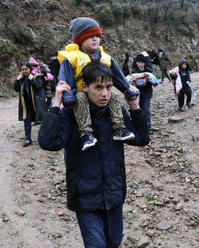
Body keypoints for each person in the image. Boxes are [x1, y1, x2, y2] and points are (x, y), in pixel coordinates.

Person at [38, 60, 149, 248]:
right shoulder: (71, 115)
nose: (105, 93)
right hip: (85, 196)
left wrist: (135, 107)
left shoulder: (116, 115)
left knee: (114, 243)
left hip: (113, 194)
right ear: (85, 87)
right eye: (98, 87)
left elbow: (141, 139)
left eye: (108, 87)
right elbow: (48, 143)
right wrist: (56, 104)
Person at [57, 17, 138, 151]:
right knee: (81, 98)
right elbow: (66, 77)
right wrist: (68, 97)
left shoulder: (105, 57)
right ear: (80, 39)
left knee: (114, 97)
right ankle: (86, 133)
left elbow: (118, 76)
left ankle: (119, 127)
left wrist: (126, 89)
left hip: (101, 91)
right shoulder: (71, 57)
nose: (95, 39)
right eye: (89, 36)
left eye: (97, 36)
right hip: (81, 92)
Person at [14, 62, 43, 147]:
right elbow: (16, 89)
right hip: (25, 105)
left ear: (30, 69)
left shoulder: (36, 76)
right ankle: (28, 139)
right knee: (26, 122)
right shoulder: (21, 78)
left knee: (40, 121)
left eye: (26, 69)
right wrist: (18, 79)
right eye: (22, 69)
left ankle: (43, 139)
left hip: (36, 104)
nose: (24, 71)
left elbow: (38, 87)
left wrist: (31, 79)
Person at [129, 54, 158, 133]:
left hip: (147, 93)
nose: (140, 64)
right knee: (138, 110)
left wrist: (147, 79)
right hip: (137, 93)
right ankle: (140, 127)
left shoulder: (149, 71)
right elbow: (131, 82)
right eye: (138, 62)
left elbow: (154, 82)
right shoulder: (134, 71)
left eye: (142, 62)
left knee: (145, 109)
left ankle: (148, 128)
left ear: (145, 63)